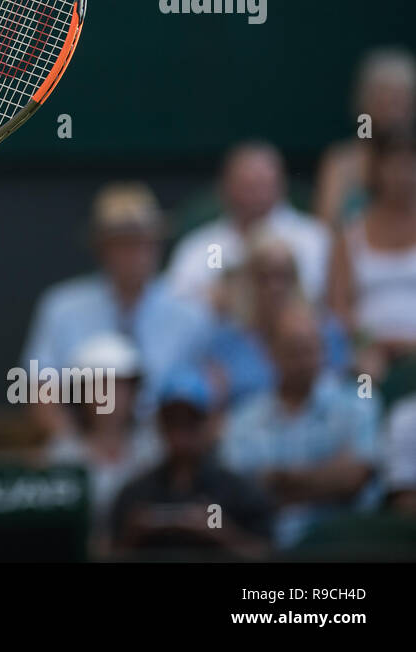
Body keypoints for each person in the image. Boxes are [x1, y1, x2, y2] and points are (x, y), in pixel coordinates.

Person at [20, 182, 211, 438]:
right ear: (101, 248)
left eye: (143, 241)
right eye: (123, 243)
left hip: (166, 453)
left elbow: (209, 395)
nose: (136, 254)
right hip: (84, 448)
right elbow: (39, 392)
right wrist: (79, 451)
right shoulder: (62, 306)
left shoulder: (190, 313)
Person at [219, 300, 380, 549]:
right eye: (293, 350)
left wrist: (279, 480)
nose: (303, 360)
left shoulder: (358, 405)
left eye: (309, 349)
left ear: (323, 350)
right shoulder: (244, 420)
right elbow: (239, 496)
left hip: (343, 546)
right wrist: (327, 479)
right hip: (269, 547)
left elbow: (355, 478)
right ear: (270, 353)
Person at [109, 366, 273, 558]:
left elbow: (269, 554)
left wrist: (220, 533)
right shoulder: (135, 494)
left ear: (208, 423)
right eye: (172, 421)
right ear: (159, 424)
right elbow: (107, 554)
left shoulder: (239, 492)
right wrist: (133, 533)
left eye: (190, 421)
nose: (180, 433)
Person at [166, 141, 330, 312]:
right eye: (246, 186)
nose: (254, 196)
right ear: (225, 187)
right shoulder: (208, 245)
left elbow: (318, 293)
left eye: (261, 185)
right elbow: (177, 296)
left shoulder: (312, 238)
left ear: (281, 185)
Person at [41, 331, 162, 557]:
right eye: (100, 385)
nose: (110, 395)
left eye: (121, 385)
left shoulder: (156, 449)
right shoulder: (61, 454)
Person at [201, 231, 352, 410]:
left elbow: (340, 394)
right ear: (248, 283)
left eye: (283, 276)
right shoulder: (226, 341)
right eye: (264, 277)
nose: (275, 287)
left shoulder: (326, 331)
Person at [327, 123, 416, 380]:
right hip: (367, 354)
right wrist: (369, 343)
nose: (404, 175)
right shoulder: (350, 234)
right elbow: (338, 307)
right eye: (395, 165)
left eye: (411, 164)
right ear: (377, 171)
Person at [315, 46, 416, 226]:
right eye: (383, 99)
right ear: (365, 103)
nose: (391, 111)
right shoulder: (341, 161)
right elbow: (325, 227)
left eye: (399, 100)